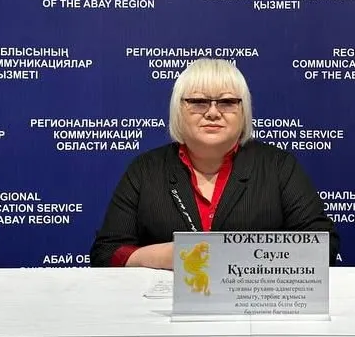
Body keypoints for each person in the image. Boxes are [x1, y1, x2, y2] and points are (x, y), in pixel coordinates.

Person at [90, 58, 339, 268]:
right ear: (178, 110)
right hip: (165, 306)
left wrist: (233, 260)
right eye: (198, 102)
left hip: (254, 304)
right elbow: (106, 253)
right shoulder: (145, 170)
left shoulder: (277, 166)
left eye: (227, 102)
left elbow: (323, 245)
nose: (212, 112)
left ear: (244, 111)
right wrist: (170, 256)